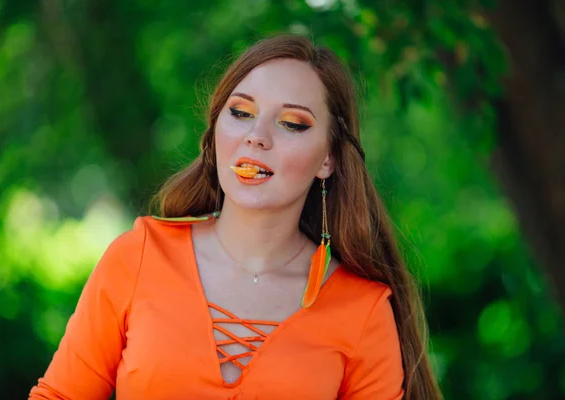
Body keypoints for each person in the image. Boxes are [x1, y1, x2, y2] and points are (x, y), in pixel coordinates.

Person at [29, 35, 441, 399]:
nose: (256, 135)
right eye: (241, 112)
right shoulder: (137, 257)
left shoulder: (363, 310)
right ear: (214, 130)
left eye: (292, 123)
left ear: (328, 158)